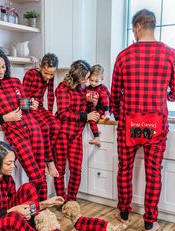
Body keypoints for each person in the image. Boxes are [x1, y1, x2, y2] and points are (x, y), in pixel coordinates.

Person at [110, 9, 175, 231]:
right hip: (156, 123)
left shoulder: (124, 55)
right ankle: (150, 222)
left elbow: (114, 95)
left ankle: (123, 213)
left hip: (129, 122)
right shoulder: (170, 54)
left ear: (137, 27)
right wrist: (164, 97)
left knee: (125, 169)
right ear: (151, 25)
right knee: (154, 172)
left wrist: (119, 113)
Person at [0, 46, 47, 201]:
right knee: (36, 176)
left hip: (33, 128)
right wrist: (4, 118)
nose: (1, 71)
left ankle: (44, 213)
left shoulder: (15, 82)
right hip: (16, 134)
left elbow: (22, 103)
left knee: (41, 172)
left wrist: (31, 104)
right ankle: (36, 212)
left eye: (3, 66)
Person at [54, 60, 100, 201]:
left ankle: (71, 200)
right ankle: (62, 200)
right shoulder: (62, 88)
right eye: (85, 78)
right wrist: (85, 116)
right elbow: (63, 113)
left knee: (76, 170)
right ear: (77, 76)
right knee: (60, 170)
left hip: (76, 135)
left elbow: (89, 110)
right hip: (61, 134)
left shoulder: (83, 88)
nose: (86, 81)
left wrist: (95, 106)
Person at [23, 53, 60, 177]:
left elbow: (50, 95)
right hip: (29, 109)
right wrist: (29, 104)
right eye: (46, 73)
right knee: (44, 127)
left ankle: (44, 156)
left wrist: (50, 114)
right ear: (40, 66)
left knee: (55, 125)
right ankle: (49, 161)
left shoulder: (50, 77)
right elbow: (22, 99)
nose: (48, 77)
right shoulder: (31, 74)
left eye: (51, 74)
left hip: (40, 107)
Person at [86, 64, 110, 146]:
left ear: (102, 79)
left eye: (96, 81)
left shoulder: (103, 88)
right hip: (91, 111)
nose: (93, 83)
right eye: (91, 80)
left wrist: (98, 105)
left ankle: (106, 113)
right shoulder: (87, 89)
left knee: (102, 93)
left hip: (101, 109)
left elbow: (109, 100)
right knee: (91, 120)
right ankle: (96, 137)